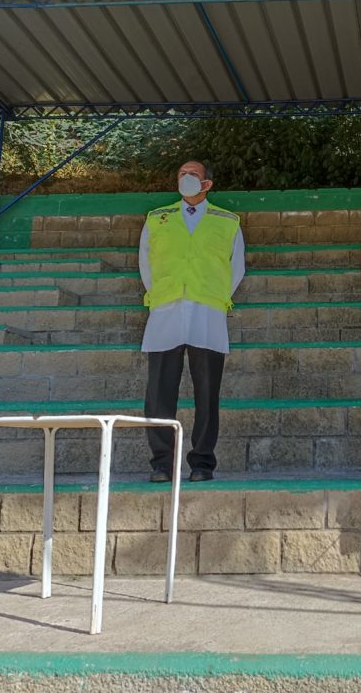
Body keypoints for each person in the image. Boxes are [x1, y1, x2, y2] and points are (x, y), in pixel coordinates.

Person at [139, 160, 245, 483]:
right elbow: (145, 262)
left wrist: (213, 296)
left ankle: (202, 463)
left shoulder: (227, 221)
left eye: (193, 175)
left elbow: (236, 268)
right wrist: (162, 293)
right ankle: (162, 463)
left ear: (207, 184)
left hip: (207, 313)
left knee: (207, 394)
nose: (186, 178)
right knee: (159, 393)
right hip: (166, 311)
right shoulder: (157, 218)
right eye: (181, 174)